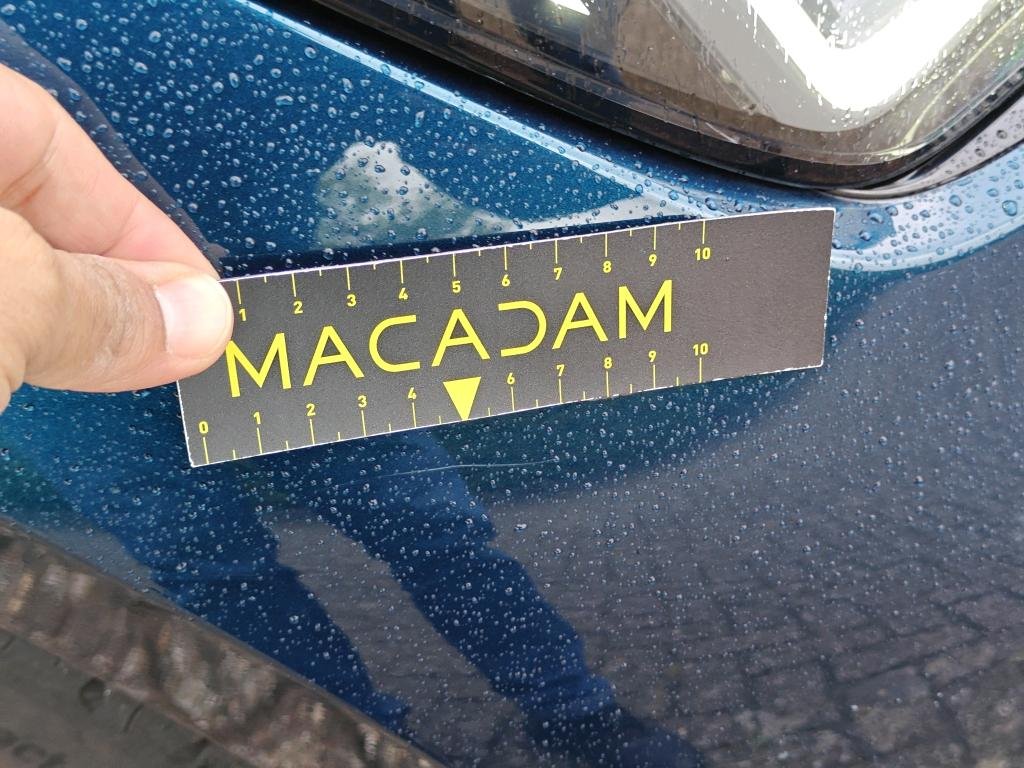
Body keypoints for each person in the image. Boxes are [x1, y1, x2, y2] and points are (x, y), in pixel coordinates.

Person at [0, 59, 704, 768]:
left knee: (421, 527)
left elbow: (457, 140)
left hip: (280, 313)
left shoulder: (247, 60)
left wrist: (620, 139)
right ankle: (365, 741)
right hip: (85, 349)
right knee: (220, 567)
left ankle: (573, 715)